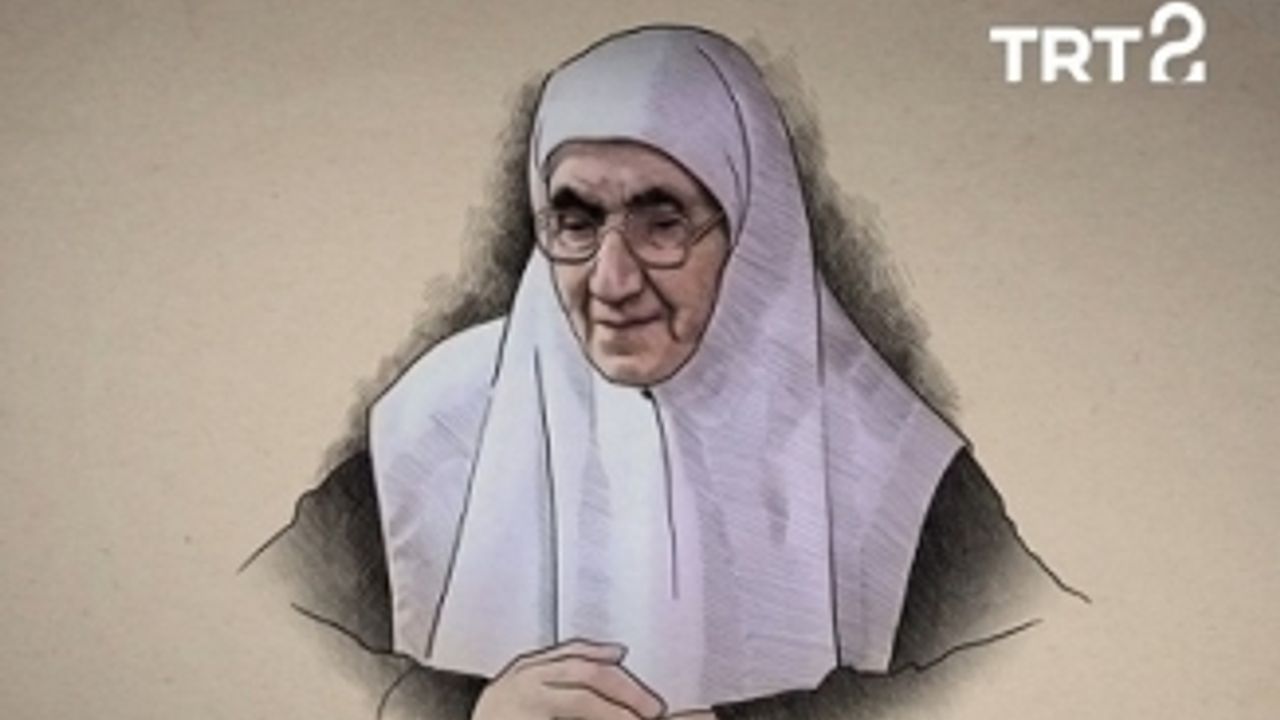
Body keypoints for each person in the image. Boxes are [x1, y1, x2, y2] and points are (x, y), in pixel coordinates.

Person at [245, 25, 1084, 720]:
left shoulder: (890, 466)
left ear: (750, 234)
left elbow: (1058, 663)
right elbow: (248, 630)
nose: (611, 281)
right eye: (576, 221)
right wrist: (468, 713)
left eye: (663, 222)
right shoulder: (435, 423)